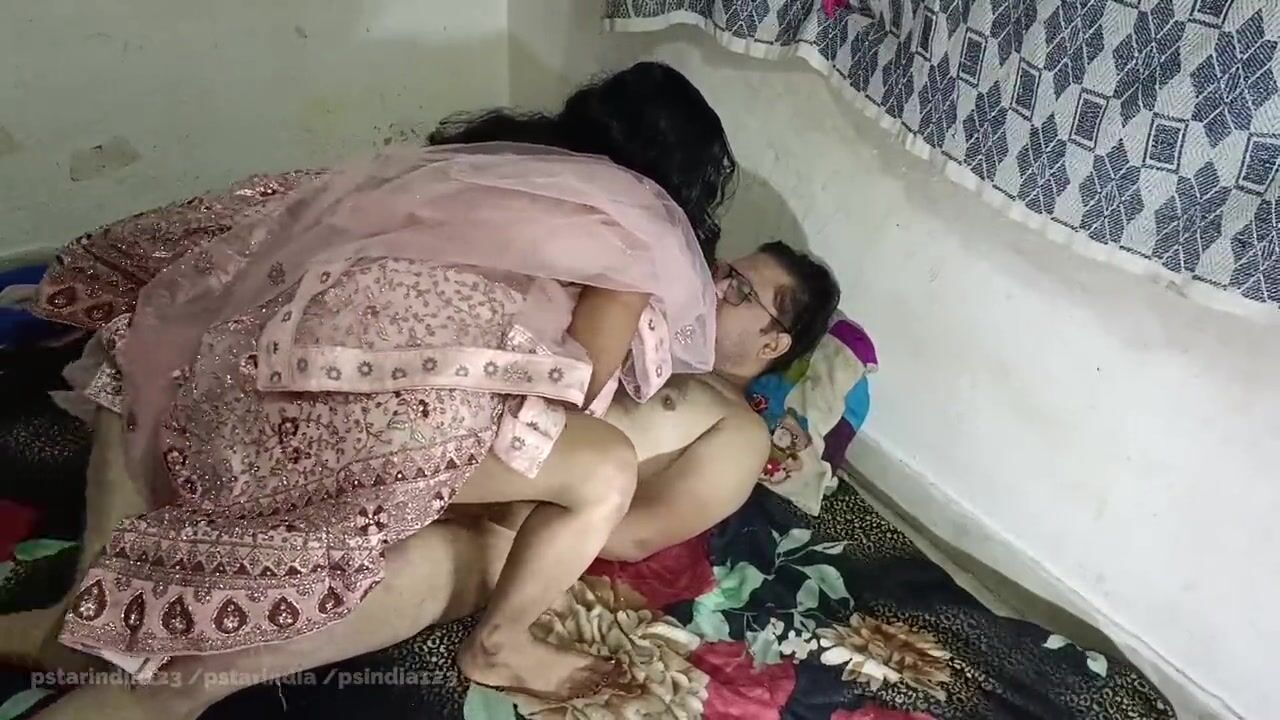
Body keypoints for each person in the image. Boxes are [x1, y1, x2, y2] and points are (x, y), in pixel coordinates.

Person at [15, 61, 739, 716]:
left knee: (139, 362)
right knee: (603, 467)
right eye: (734, 281)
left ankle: (89, 633)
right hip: (390, 413)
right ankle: (500, 645)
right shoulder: (633, 227)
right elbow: (572, 396)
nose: (727, 291)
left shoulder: (489, 164)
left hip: (257, 366)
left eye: (753, 297)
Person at [21, 241, 840, 719]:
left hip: (491, 530)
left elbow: (629, 534)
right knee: (146, 374)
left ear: (773, 345)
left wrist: (487, 470)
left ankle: (112, 670)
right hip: (429, 446)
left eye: (742, 293)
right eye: (723, 270)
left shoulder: (733, 428)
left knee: (191, 671)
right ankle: (76, 623)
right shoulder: (641, 315)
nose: (715, 287)